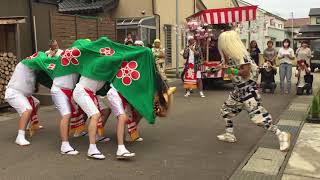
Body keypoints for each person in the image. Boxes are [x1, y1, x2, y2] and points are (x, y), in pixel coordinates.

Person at [216, 30, 291, 152]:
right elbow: (228, 68)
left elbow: (245, 73)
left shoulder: (241, 56)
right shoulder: (230, 57)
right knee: (226, 111)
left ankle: (281, 134)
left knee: (259, 118)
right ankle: (229, 134)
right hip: (238, 91)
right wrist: (218, 68)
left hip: (247, 92)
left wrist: (230, 71)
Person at [4, 61, 41, 146]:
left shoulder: (34, 71)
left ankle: (28, 125)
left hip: (23, 94)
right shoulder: (23, 64)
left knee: (36, 103)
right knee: (27, 109)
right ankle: (20, 137)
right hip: (14, 92)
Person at [72, 76, 107, 160]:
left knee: (101, 112)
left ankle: (91, 135)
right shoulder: (96, 63)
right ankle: (92, 149)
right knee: (95, 115)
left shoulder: (109, 68)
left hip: (90, 93)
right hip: (82, 92)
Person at [106, 84, 136, 159]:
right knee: (122, 117)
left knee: (128, 117)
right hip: (115, 93)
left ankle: (130, 135)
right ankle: (120, 149)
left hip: (124, 95)